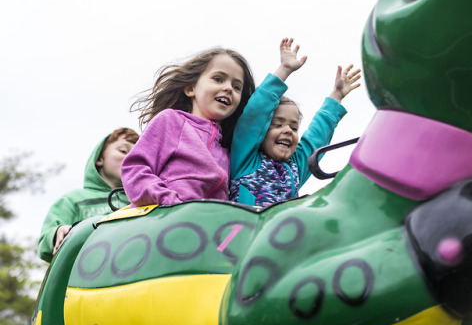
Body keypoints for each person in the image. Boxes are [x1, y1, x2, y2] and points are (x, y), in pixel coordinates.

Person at [230, 38, 361, 207]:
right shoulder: (245, 159)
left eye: (293, 127)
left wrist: (337, 95)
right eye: (277, 124)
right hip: (245, 231)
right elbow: (255, 114)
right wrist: (284, 69)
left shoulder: (294, 169)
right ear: (261, 132)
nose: (288, 130)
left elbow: (315, 139)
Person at [121, 48, 255, 207]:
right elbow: (134, 169)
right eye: (218, 79)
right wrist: (167, 200)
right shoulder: (171, 121)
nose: (228, 88)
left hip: (204, 226)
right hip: (163, 218)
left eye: (237, 86)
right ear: (191, 88)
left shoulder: (228, 149)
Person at [37, 127, 139, 263]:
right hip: (85, 278)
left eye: (137, 155)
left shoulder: (143, 202)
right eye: (123, 151)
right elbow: (45, 242)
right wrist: (58, 233)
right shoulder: (73, 200)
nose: (130, 157)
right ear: (100, 158)